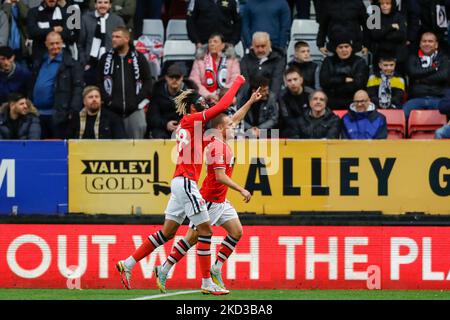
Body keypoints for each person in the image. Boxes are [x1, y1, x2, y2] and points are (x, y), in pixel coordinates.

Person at [115, 75, 246, 295]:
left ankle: (128, 263)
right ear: (194, 106)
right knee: (205, 230)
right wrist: (238, 82)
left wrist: (249, 102)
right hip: (186, 183)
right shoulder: (192, 119)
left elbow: (227, 121)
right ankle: (206, 282)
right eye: (203, 103)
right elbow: (223, 105)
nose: (207, 105)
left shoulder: (197, 129)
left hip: (180, 183)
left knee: (167, 233)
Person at [153, 88, 262, 293]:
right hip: (210, 199)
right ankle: (165, 268)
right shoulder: (214, 146)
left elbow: (235, 118)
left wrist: (249, 102)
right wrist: (242, 190)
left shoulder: (221, 140)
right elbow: (220, 176)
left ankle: (215, 268)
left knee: (237, 232)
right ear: (220, 128)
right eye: (230, 126)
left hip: (221, 201)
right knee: (191, 239)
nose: (234, 127)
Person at [97, 26, 152, 139]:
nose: (114, 39)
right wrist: (108, 101)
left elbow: (148, 82)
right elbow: (98, 82)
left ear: (127, 38)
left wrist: (136, 101)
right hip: (112, 111)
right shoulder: (105, 58)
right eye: (112, 37)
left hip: (134, 110)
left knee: (136, 148)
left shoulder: (139, 58)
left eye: (117, 37)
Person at [31, 31, 83, 139]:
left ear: (62, 43)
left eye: (57, 43)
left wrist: (73, 111)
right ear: (46, 44)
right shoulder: (40, 61)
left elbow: (78, 88)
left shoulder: (72, 64)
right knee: (39, 151)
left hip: (59, 116)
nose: (55, 46)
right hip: (37, 115)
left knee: (58, 151)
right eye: (52, 44)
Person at [403, 31, 450, 119]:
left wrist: (419, 79)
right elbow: (413, 73)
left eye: (430, 41)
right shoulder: (413, 57)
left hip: (438, 98)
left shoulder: (444, 59)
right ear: (420, 44)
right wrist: (433, 69)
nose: (427, 44)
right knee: (403, 113)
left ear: (436, 45)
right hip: (416, 98)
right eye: (424, 41)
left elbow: (443, 76)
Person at [78, 0, 125, 85]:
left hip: (111, 65)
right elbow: (80, 44)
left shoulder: (117, 21)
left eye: (106, 2)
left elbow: (123, 45)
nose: (102, 5)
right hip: (90, 65)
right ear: (95, 4)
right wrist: (84, 63)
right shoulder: (85, 18)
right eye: (100, 2)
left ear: (110, 5)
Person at [148, 63, 197, 139]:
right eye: (171, 77)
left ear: (182, 78)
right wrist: (166, 124)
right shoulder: (157, 93)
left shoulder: (191, 93)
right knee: (157, 134)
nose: (174, 80)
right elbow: (152, 117)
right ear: (166, 78)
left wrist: (183, 125)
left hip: (185, 128)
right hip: (163, 128)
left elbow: (199, 114)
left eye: (177, 77)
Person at [189, 33, 241, 104]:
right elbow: (194, 81)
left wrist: (222, 95)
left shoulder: (231, 60)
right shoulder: (200, 60)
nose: (212, 44)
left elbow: (235, 79)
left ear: (222, 45)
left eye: (215, 41)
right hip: (205, 99)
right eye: (210, 42)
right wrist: (208, 95)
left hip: (226, 98)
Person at [319, 36, 369, 109]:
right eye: (340, 47)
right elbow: (324, 81)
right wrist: (344, 79)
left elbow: (359, 84)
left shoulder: (360, 61)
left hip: (354, 101)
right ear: (335, 49)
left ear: (351, 48)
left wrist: (334, 83)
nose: (344, 50)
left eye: (346, 46)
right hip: (331, 101)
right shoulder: (328, 61)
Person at [27, 0, 77, 65]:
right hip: (40, 57)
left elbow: (67, 34)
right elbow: (32, 32)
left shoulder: (65, 13)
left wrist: (42, 33)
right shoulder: (33, 12)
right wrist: (53, 29)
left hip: (61, 57)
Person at [239, 32, 285, 99]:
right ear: (252, 45)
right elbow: (245, 82)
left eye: (263, 46)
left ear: (269, 45)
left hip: (270, 97)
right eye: (257, 46)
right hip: (250, 97)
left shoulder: (278, 59)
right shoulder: (245, 60)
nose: (260, 50)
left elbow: (276, 82)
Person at [368, 0, 408, 75]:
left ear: (392, 4)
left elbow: (401, 35)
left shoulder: (399, 16)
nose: (384, 6)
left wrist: (382, 34)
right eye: (382, 4)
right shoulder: (375, 16)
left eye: (387, 3)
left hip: (397, 56)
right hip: (379, 56)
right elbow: (374, 35)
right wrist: (391, 27)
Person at [279, 66, 310, 138]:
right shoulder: (282, 96)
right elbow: (286, 117)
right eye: (289, 80)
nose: (293, 83)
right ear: (285, 83)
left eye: (295, 79)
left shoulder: (310, 93)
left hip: (308, 126)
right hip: (290, 128)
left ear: (301, 80)